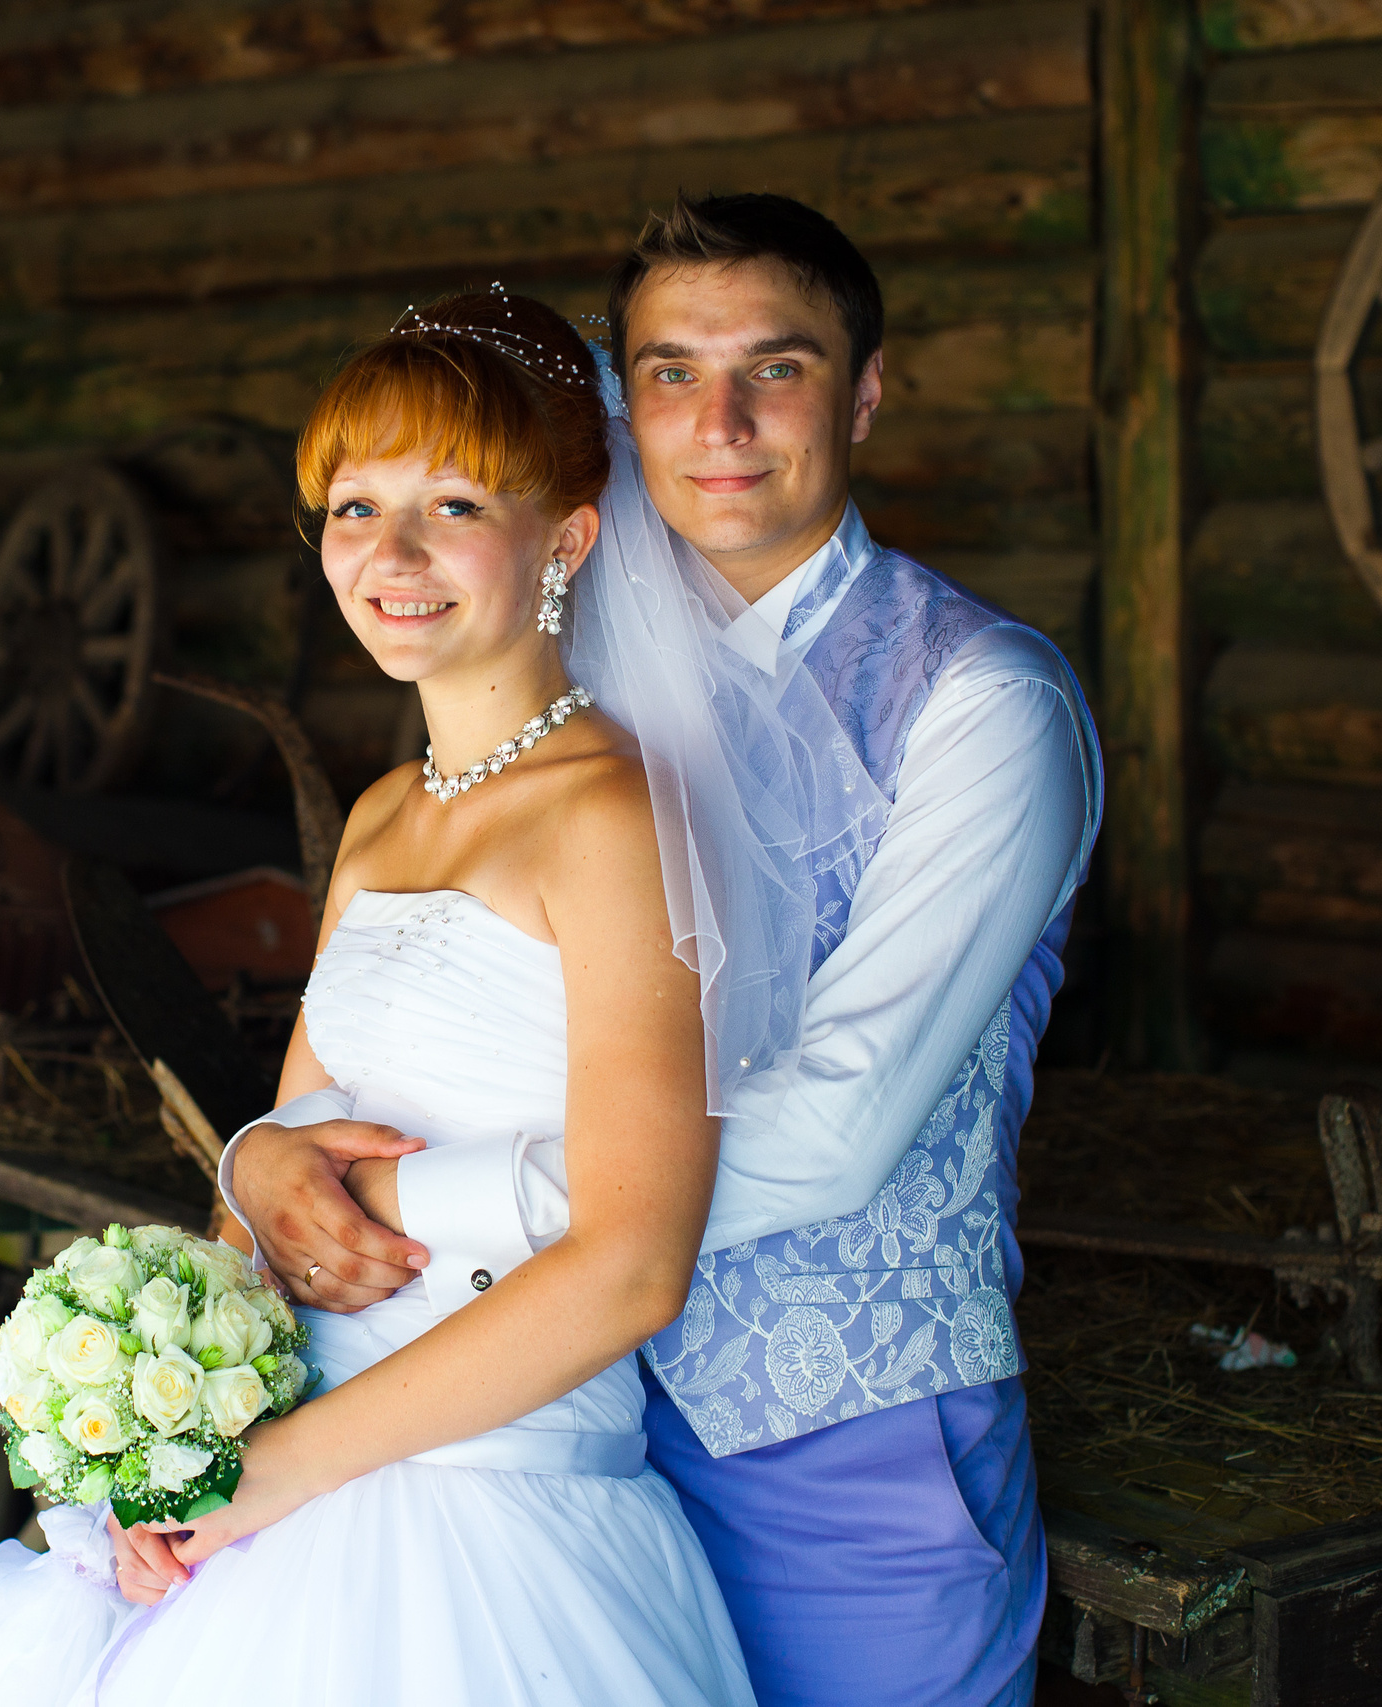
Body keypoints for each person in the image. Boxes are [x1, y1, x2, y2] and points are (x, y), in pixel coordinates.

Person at [220, 196, 1103, 1705]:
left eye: (779, 366)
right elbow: (425, 1014)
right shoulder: (557, 668)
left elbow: (832, 1131)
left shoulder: (983, 703)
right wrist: (262, 1157)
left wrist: (394, 1198)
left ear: (867, 392)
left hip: (842, 1432)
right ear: (619, 406)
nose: (723, 420)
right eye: (672, 373)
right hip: (553, 1432)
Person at [0, 289, 755, 1707]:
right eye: (355, 508)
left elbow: (634, 1264)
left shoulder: (616, 822)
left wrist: (273, 1473)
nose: (393, 555)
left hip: (483, 1519)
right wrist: (166, 1465)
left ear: (566, 538)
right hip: (265, 1482)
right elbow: (283, 1163)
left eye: (449, 503)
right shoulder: (379, 818)